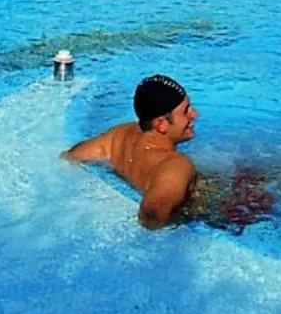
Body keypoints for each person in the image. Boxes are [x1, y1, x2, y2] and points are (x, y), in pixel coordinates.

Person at [63, 75, 202, 229]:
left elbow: (71, 156)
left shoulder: (119, 135)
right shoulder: (176, 166)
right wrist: (189, 216)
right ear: (161, 124)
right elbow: (152, 217)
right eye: (186, 111)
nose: (194, 114)